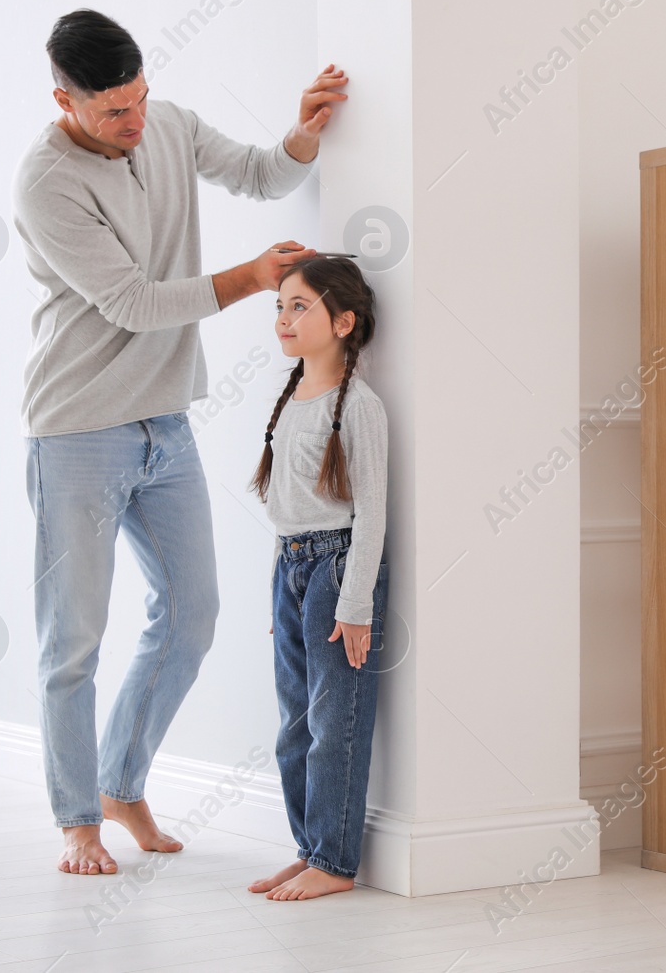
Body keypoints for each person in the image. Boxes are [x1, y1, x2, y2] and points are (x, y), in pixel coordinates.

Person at [12, 7, 348, 875]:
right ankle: (78, 820)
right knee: (73, 638)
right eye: (113, 111)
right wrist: (249, 278)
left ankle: (122, 779)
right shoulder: (44, 181)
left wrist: (304, 134)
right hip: (78, 427)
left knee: (192, 616)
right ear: (66, 100)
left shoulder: (163, 124)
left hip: (165, 420)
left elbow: (258, 174)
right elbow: (131, 302)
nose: (135, 122)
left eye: (140, 99)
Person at [245, 256, 389, 901]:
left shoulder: (359, 406)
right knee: (294, 727)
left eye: (299, 306)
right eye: (279, 305)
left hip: (335, 569)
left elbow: (373, 510)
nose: (283, 318)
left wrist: (355, 604)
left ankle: (335, 860)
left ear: (343, 321)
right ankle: (309, 849)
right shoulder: (291, 395)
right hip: (288, 565)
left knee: (336, 725)